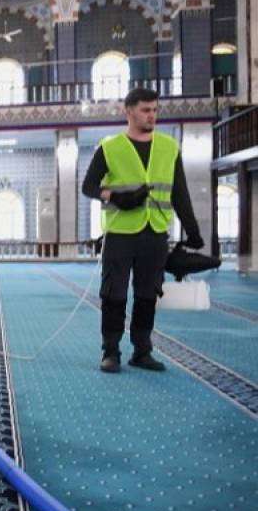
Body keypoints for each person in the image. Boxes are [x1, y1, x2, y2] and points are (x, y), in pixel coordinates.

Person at [81, 87, 203, 374]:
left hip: (155, 232)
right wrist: (115, 196)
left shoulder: (169, 148)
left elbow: (180, 193)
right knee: (114, 294)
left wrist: (193, 230)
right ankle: (111, 352)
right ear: (129, 111)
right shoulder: (110, 147)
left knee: (148, 294)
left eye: (155, 110)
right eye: (146, 110)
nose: (152, 115)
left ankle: (142, 351)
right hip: (119, 233)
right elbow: (88, 186)